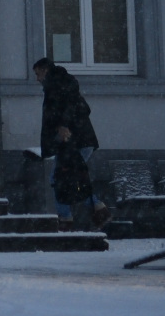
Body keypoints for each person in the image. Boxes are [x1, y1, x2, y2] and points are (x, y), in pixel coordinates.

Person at [33, 56, 110, 230]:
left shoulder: (58, 84)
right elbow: (74, 107)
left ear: (45, 70)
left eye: (38, 74)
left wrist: (63, 125)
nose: (37, 79)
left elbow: (70, 106)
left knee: (60, 178)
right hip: (76, 141)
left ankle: (68, 218)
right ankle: (93, 210)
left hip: (74, 142)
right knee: (70, 177)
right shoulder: (59, 84)